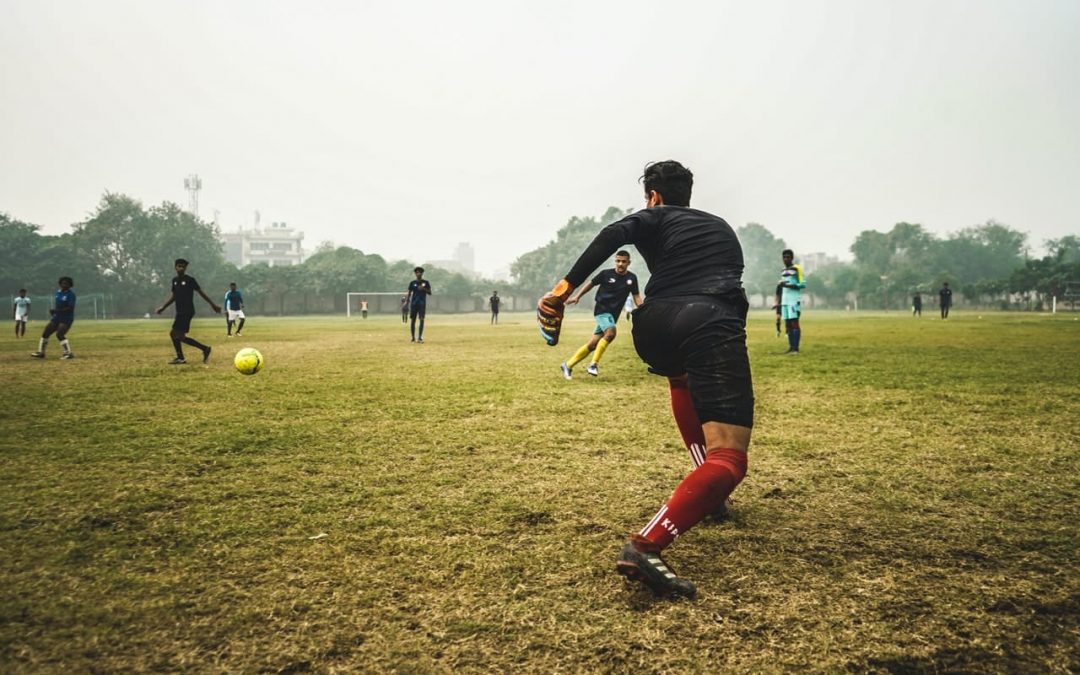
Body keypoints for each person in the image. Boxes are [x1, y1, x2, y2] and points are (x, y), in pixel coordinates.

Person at [537, 160, 752, 599]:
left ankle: (706, 492)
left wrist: (561, 291)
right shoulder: (720, 227)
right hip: (709, 317)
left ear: (652, 196)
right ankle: (645, 545)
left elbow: (613, 233)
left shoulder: (653, 216)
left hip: (652, 324)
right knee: (729, 459)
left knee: (681, 381)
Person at [559, 250, 642, 379]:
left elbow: (636, 296)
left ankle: (568, 365)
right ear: (615, 261)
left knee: (592, 345)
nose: (620, 264)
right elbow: (590, 284)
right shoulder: (605, 274)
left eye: (623, 261)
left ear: (628, 263)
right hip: (602, 310)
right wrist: (577, 296)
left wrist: (642, 310)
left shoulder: (632, 278)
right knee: (611, 333)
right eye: (618, 261)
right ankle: (593, 365)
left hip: (612, 315)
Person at [155, 258, 221, 364]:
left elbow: (201, 293)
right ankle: (203, 349)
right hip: (180, 311)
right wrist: (163, 307)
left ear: (186, 268)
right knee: (178, 335)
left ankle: (182, 357)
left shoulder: (190, 280)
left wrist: (213, 305)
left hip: (187, 311)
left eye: (183, 266)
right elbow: (174, 296)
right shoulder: (175, 280)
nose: (181, 268)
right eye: (179, 266)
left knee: (175, 333)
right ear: (175, 267)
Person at [30, 277, 76, 359]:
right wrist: (54, 312)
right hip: (57, 317)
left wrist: (56, 311)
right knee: (46, 332)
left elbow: (70, 308)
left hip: (66, 318)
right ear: (60, 284)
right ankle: (41, 352)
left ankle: (68, 353)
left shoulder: (71, 295)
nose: (64, 285)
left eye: (66, 283)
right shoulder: (58, 293)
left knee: (59, 334)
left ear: (70, 285)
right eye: (63, 283)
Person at [778, 249, 806, 354]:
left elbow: (803, 284)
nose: (786, 259)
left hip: (794, 300)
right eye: (784, 257)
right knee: (788, 324)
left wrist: (788, 285)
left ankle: (796, 348)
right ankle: (791, 347)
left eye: (788, 257)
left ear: (792, 258)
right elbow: (783, 286)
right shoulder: (783, 271)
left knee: (795, 323)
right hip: (785, 301)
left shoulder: (797, 269)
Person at [406, 266, 432, 342]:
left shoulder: (426, 282)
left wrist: (423, 289)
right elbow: (409, 293)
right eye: (417, 272)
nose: (418, 273)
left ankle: (420, 337)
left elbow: (430, 292)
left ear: (422, 273)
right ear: (415, 273)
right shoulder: (412, 283)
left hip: (422, 304)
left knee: (421, 319)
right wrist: (407, 302)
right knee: (413, 320)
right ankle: (413, 337)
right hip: (414, 304)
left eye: (420, 272)